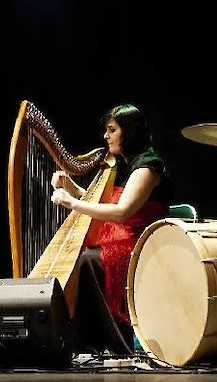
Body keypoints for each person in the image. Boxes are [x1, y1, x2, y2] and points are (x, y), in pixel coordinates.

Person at [50, 104, 172, 355]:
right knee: (83, 255)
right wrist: (70, 186)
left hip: (142, 243)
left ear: (130, 131)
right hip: (123, 237)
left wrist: (71, 202)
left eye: (112, 130)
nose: (106, 136)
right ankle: (90, 343)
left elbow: (121, 212)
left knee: (89, 259)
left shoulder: (148, 166)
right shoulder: (124, 164)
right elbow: (101, 204)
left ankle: (115, 343)